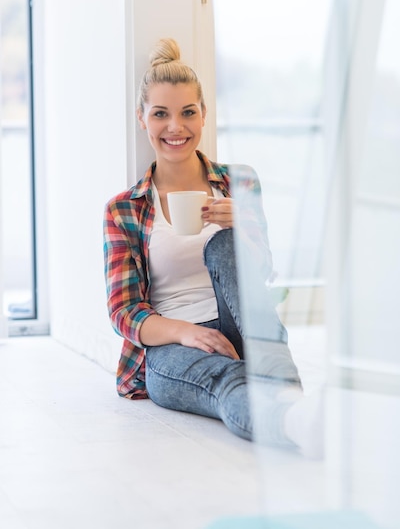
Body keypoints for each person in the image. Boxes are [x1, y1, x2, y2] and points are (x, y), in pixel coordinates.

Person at [103, 38, 323, 458]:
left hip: (244, 323)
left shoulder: (239, 183)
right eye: (161, 114)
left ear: (204, 113)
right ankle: (295, 419)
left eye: (188, 112)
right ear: (142, 118)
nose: (175, 128)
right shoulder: (123, 209)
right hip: (172, 345)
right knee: (229, 379)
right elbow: (123, 312)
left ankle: (293, 402)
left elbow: (261, 277)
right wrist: (187, 333)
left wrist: (244, 225)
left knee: (226, 245)